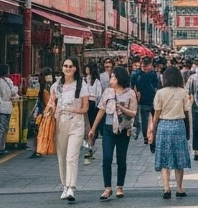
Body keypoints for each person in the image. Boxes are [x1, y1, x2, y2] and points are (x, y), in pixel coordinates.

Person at [47, 57, 93, 201]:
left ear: (75, 68)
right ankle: (64, 186)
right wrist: (51, 109)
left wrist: (73, 109)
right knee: (61, 157)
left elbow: (85, 107)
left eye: (70, 66)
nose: (67, 68)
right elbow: (50, 103)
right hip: (60, 124)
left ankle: (71, 187)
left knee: (71, 157)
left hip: (76, 124)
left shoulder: (82, 85)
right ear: (62, 68)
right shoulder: (56, 86)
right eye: (65, 66)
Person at [90, 66, 137, 201]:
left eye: (114, 77)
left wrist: (122, 108)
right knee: (107, 158)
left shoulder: (130, 93)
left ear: (120, 78)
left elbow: (134, 113)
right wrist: (93, 129)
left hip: (123, 130)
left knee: (121, 159)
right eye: (111, 77)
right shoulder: (107, 92)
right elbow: (101, 110)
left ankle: (119, 187)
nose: (111, 79)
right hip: (108, 129)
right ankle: (107, 188)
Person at [150, 66, 192, 198]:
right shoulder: (183, 92)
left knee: (164, 158)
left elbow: (156, 113)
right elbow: (186, 112)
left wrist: (153, 130)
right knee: (179, 158)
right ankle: (179, 188)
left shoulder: (160, 93)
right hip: (179, 125)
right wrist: (188, 130)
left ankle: (166, 188)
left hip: (163, 125)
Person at [131, 57, 160, 142]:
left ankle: (154, 134)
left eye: (147, 66)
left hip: (154, 100)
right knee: (144, 119)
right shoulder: (135, 74)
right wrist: (135, 94)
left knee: (155, 119)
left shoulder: (154, 74)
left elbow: (156, 86)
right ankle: (146, 136)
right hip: (142, 100)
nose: (146, 68)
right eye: (144, 66)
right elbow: (132, 87)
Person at [0, 63, 16, 157]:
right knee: (5, 128)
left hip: (0, 107)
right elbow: (14, 92)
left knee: (0, 128)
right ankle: (2, 147)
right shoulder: (9, 81)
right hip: (8, 106)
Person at [83, 64, 103, 163]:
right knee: (87, 125)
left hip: (93, 103)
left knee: (92, 125)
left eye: (88, 68)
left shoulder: (97, 82)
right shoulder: (83, 80)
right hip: (86, 103)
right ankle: (88, 146)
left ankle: (90, 146)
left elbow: (99, 94)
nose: (87, 70)